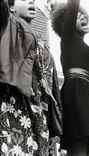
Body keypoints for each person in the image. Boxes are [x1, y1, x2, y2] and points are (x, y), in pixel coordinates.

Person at [0, 0, 62, 155]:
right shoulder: (6, 25)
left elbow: (51, 86)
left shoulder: (43, 45)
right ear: (11, 6)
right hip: (11, 104)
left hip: (37, 110)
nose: (31, 1)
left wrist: (54, 121)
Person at [51, 0, 89, 155]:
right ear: (65, 23)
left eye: (84, 16)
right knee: (79, 142)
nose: (82, 17)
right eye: (77, 16)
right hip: (75, 92)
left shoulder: (88, 47)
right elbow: (73, 5)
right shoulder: (68, 37)